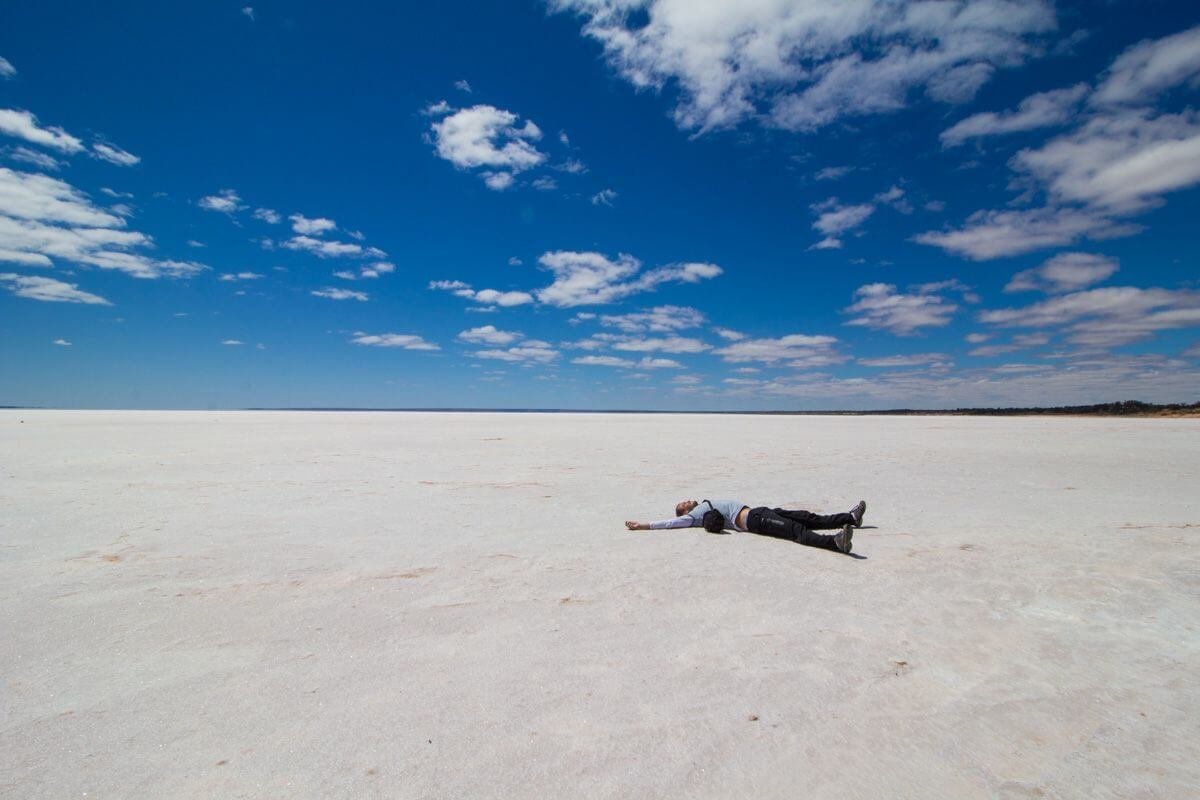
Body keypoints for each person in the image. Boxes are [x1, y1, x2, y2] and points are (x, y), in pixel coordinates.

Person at [625, 498, 866, 554]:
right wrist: (643, 525)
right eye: (684, 503)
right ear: (685, 512)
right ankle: (836, 543)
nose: (688, 500)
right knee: (795, 531)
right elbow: (669, 523)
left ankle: (849, 518)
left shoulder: (703, 504)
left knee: (806, 516)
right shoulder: (693, 517)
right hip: (754, 521)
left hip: (759, 511)